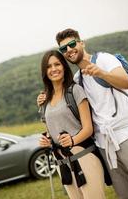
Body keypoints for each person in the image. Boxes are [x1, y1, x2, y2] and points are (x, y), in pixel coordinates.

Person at [38, 28, 128, 199]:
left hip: (127, 134)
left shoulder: (104, 59)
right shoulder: (78, 79)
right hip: (104, 144)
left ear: (81, 43)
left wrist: (101, 72)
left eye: (72, 44)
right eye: (64, 49)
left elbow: (126, 83)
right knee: (125, 193)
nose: (69, 50)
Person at [38, 50, 108, 199]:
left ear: (64, 66)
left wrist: (72, 140)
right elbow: (51, 130)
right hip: (62, 163)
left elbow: (88, 128)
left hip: (83, 156)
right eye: (49, 66)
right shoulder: (45, 100)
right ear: (45, 71)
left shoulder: (75, 90)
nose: (54, 69)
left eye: (57, 64)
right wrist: (47, 140)